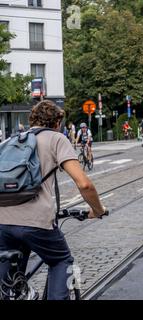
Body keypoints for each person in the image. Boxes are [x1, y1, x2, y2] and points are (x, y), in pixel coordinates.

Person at [0, 100, 107, 300]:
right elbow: (84, 184)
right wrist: (97, 210)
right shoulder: (57, 139)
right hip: (36, 222)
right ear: (57, 122)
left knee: (8, 286)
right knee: (61, 260)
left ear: (31, 120)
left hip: (3, 222)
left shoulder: (9, 142)